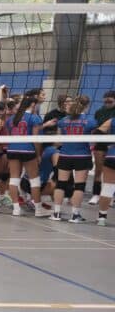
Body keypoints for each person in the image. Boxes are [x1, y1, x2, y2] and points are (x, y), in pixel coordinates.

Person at [51, 95, 98, 223]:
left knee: (60, 184)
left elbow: (58, 142)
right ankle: (75, 215)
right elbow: (95, 140)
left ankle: (56, 213)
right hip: (82, 156)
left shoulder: (63, 121)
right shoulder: (91, 121)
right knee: (79, 186)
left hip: (65, 155)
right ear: (87, 106)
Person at [89, 90, 115, 205]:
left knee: (112, 171)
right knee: (99, 169)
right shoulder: (99, 111)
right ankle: (96, 194)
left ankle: (111, 196)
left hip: (113, 144)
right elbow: (96, 128)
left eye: (110, 102)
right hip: (101, 143)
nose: (107, 104)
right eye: (105, 102)